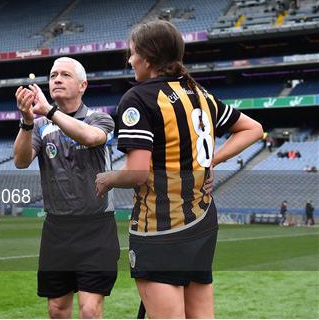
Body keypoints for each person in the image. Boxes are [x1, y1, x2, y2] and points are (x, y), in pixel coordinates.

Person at [95, 20, 263, 318]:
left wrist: (108, 178)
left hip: (161, 226)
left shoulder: (138, 98)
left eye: (132, 53)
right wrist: (211, 161)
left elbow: (136, 173)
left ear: (147, 57)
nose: (129, 60)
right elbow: (253, 129)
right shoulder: (200, 94)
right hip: (202, 220)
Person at [13, 57, 119, 318]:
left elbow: (91, 137)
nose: (56, 79)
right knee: (57, 309)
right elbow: (20, 160)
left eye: (65, 75)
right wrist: (27, 121)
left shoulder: (100, 118)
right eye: (52, 75)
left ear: (83, 85)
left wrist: (49, 111)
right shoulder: (39, 126)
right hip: (57, 229)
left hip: (96, 227)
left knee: (90, 309)